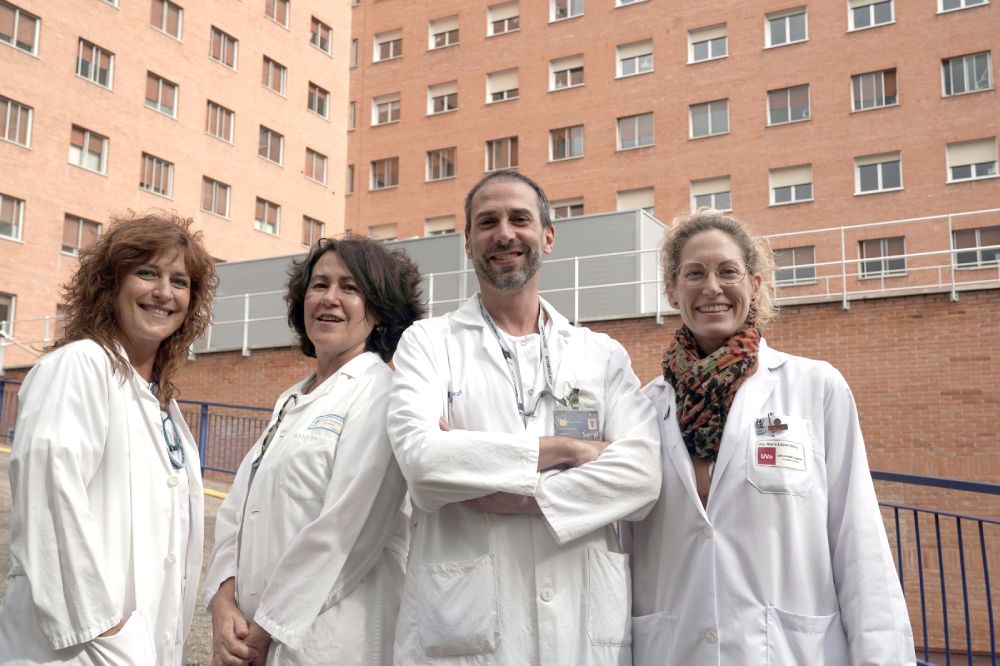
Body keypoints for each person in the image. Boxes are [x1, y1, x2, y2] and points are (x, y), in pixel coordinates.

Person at [388, 169, 662, 665]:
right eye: (487, 222)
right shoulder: (429, 342)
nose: (504, 234)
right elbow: (424, 465)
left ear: (548, 237)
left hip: (582, 627)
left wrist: (517, 493)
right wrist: (568, 450)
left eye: (520, 219)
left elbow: (642, 476)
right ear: (467, 242)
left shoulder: (600, 354)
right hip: (464, 629)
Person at [629, 210, 915, 665]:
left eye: (728, 271)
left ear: (755, 285)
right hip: (673, 649)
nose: (712, 287)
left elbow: (857, 536)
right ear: (671, 290)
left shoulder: (814, 387)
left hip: (788, 651)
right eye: (694, 273)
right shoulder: (642, 408)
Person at [0, 213, 217, 665]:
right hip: (84, 647)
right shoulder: (79, 364)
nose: (164, 292)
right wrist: (103, 629)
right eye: (147, 273)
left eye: (179, 281)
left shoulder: (160, 401)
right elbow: (50, 500)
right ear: (109, 286)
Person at [204, 236, 424, 666]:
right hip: (254, 632)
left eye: (350, 288)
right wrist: (224, 600)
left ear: (379, 310)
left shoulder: (382, 393)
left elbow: (347, 528)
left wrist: (265, 629)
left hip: (332, 641)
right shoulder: (292, 398)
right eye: (319, 284)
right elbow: (238, 510)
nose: (329, 298)